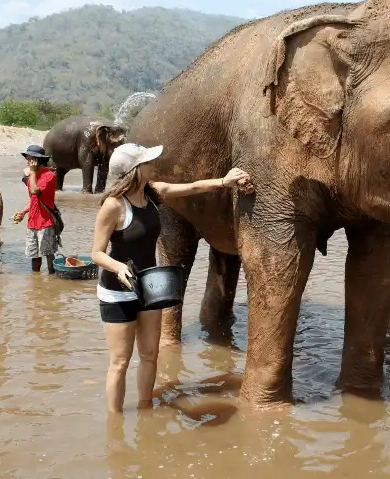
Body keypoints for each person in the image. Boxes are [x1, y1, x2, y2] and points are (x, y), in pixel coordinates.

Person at [91, 142, 250, 413]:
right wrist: (118, 267)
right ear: (135, 170)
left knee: (150, 355)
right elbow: (96, 253)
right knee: (120, 361)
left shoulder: (153, 194)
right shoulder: (113, 206)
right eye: (148, 162)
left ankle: (144, 410)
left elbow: (192, 187)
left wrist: (225, 181)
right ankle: (114, 424)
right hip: (118, 292)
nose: (154, 166)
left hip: (150, 288)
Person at [13, 145, 58, 274]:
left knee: (48, 254)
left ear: (37, 160)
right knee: (34, 256)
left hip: (45, 223)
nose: (28, 163)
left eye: (30, 159)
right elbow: (33, 200)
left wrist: (32, 173)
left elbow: (35, 191)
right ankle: (36, 282)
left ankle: (52, 279)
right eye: (27, 159)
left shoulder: (49, 176)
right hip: (32, 222)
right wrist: (22, 212)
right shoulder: (34, 177)